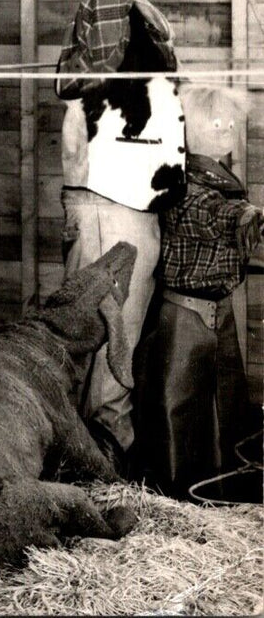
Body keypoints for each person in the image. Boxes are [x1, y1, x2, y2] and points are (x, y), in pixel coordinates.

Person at [54, 0, 187, 467]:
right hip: (106, 208)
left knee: (124, 343)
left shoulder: (149, 24)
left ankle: (105, 467)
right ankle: (97, 472)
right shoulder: (104, 18)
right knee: (106, 347)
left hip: (135, 206)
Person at [133, 84, 258, 499]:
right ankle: (174, 497)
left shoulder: (222, 181)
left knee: (227, 408)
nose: (226, 131)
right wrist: (250, 217)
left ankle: (217, 489)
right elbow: (214, 215)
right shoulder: (186, 184)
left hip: (217, 311)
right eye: (216, 124)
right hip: (184, 316)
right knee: (176, 410)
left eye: (229, 124)